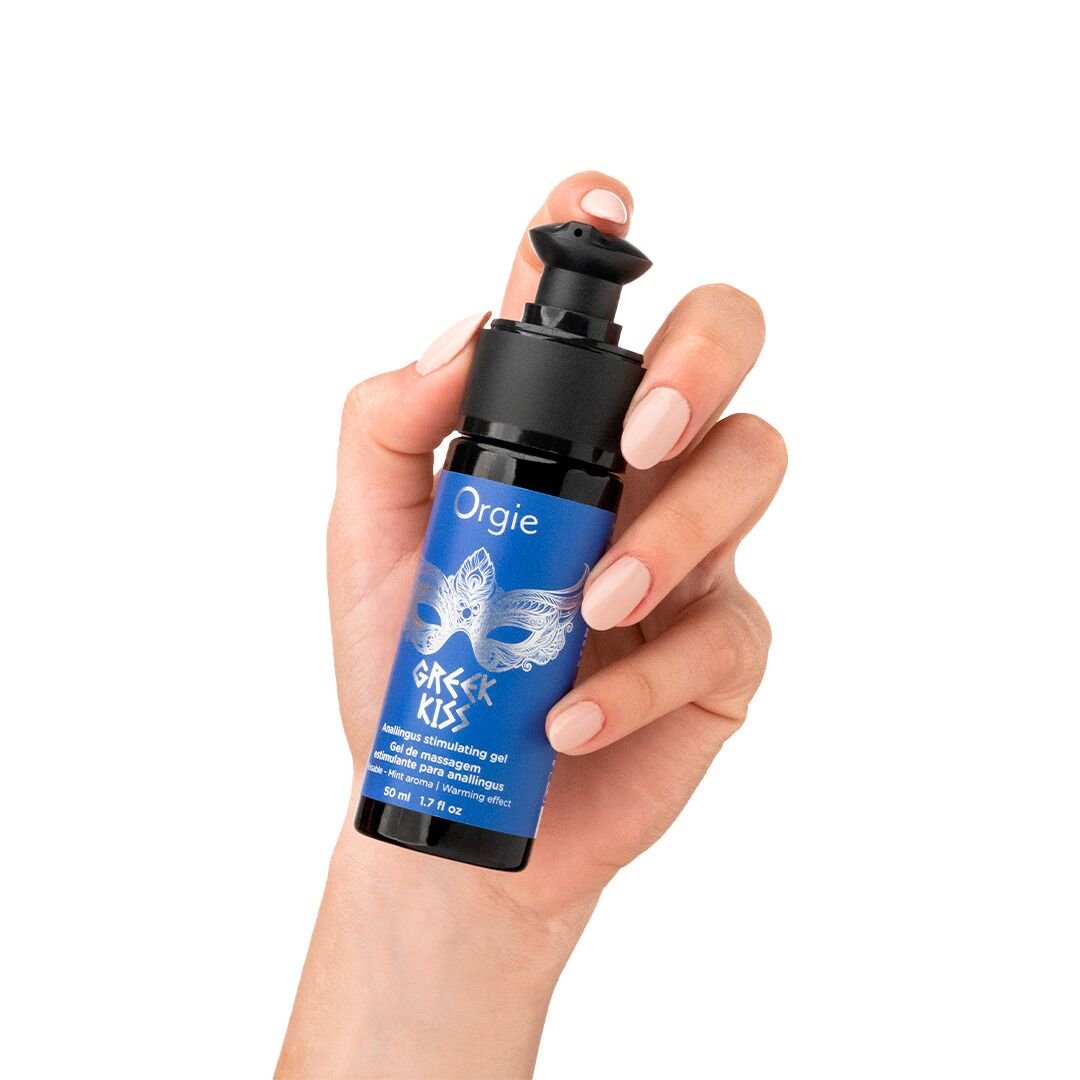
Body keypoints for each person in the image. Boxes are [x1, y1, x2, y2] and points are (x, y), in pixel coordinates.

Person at [276, 172, 787, 1079]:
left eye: (510, 632)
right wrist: (419, 899)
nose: (460, 646)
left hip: (512, 813)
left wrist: (480, 929)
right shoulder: (475, 462)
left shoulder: (584, 490)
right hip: (414, 784)